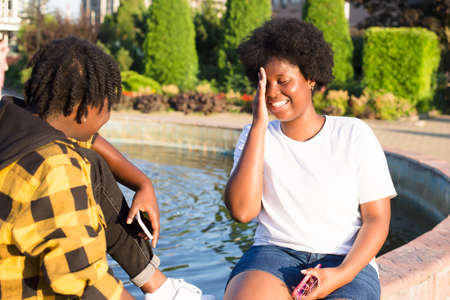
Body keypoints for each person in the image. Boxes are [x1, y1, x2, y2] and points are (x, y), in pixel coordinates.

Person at [0, 36, 215, 300]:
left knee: (95, 164)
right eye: (107, 104)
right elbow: (87, 283)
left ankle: (162, 290)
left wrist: (143, 183)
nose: (109, 115)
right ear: (83, 109)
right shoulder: (58, 167)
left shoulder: (10, 115)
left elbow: (88, 140)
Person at [223, 18, 396, 300]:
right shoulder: (254, 135)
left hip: (343, 257)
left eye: (283, 81)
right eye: (265, 82)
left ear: (311, 77)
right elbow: (242, 212)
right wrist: (258, 125)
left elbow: (377, 220)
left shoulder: (354, 134)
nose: (272, 92)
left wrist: (342, 274)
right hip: (273, 253)